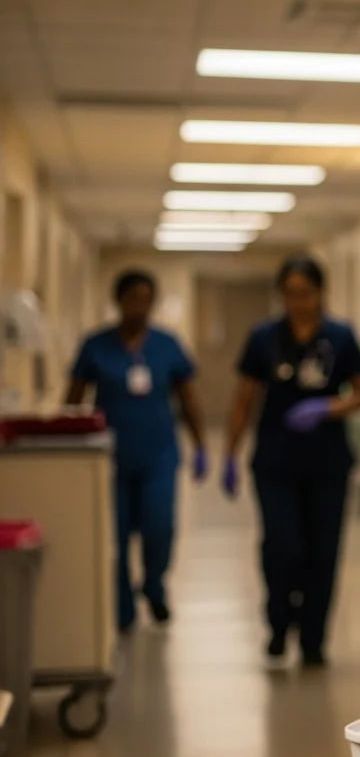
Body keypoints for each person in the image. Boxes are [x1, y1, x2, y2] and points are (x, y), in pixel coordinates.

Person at [224, 255, 360, 668]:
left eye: (305, 293)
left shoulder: (341, 337)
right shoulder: (264, 337)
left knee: (323, 552)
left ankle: (313, 637)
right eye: (289, 294)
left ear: (320, 293)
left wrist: (328, 409)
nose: (298, 302)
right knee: (282, 545)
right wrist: (229, 454)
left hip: (327, 462)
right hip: (275, 460)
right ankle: (277, 623)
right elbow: (244, 397)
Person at [66, 269, 206, 632]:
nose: (139, 307)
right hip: (109, 457)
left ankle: (154, 585)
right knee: (116, 534)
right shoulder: (96, 345)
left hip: (159, 453)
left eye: (146, 300)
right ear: (118, 301)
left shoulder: (166, 344)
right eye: (132, 299)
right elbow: (73, 402)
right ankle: (123, 604)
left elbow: (188, 398)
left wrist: (201, 443)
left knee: (160, 527)